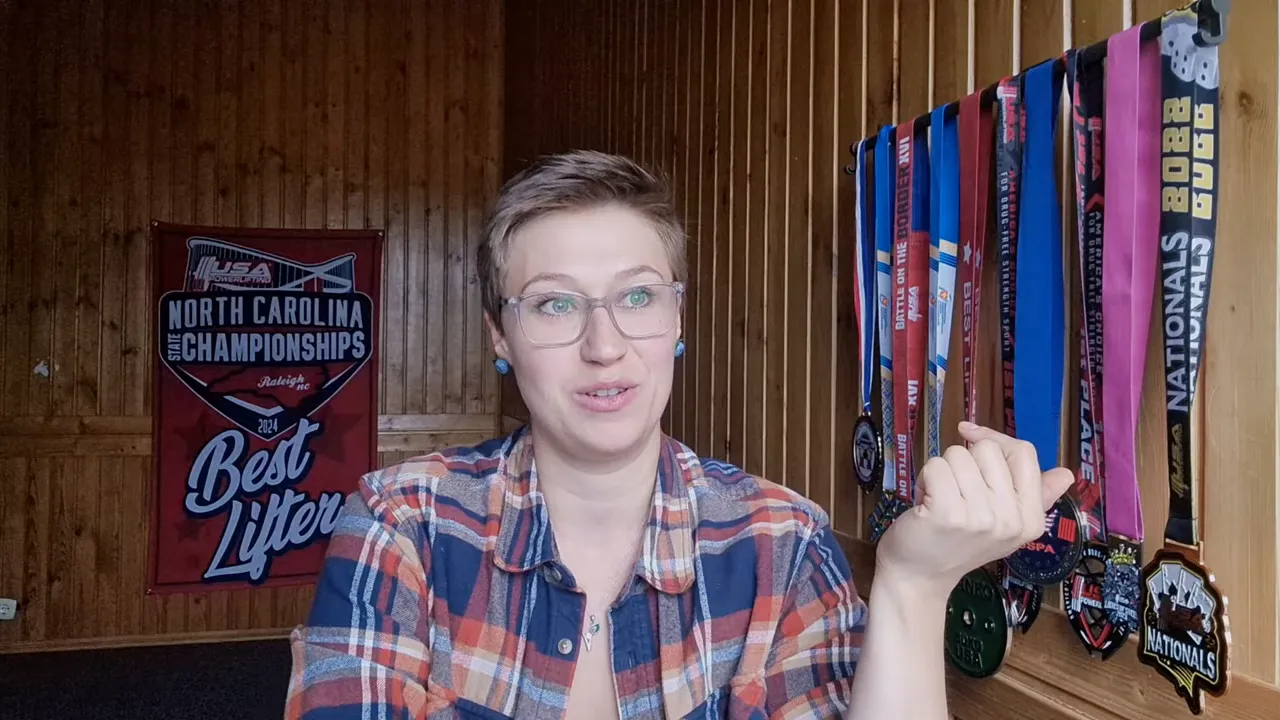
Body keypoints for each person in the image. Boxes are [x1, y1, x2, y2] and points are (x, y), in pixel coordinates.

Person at [284, 149, 1074, 719]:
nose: (605, 346)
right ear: (500, 335)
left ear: (677, 319)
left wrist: (913, 588)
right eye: (556, 304)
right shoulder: (402, 523)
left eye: (637, 298)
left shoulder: (783, 543)